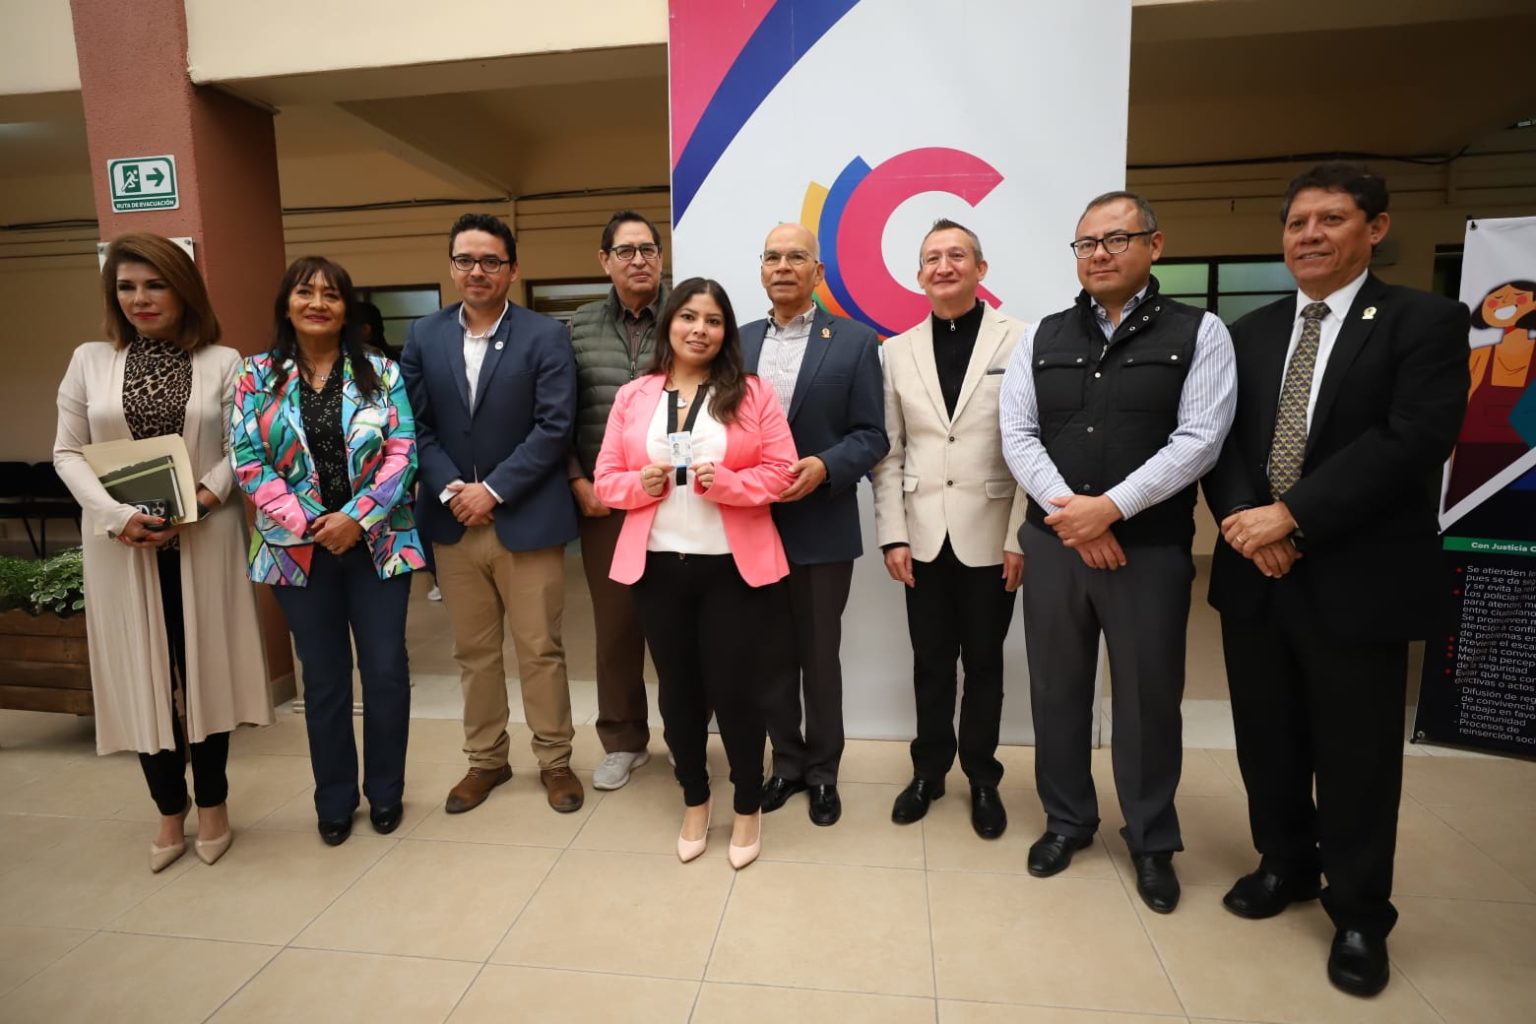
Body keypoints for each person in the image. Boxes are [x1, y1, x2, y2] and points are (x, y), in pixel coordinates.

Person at [1203, 162, 1470, 997]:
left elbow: (1412, 440)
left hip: (1359, 575)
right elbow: (1220, 442)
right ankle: (1284, 863)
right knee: (1268, 737)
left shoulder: (1424, 321)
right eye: (1297, 223)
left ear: (1375, 228)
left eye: (1331, 219)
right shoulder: (1248, 332)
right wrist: (1248, 522)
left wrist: (1293, 516)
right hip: (1256, 574)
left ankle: (1358, 912)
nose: (1310, 236)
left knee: (1357, 755)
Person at [999, 191, 1236, 913]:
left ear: (1153, 245)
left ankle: (1152, 839)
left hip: (1150, 551)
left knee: (1147, 698)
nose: (1098, 254)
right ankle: (1067, 820)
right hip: (1056, 547)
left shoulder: (1200, 333)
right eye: (1086, 244)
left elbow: (1200, 439)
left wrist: (1112, 509)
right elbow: (1019, 434)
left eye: (1116, 239)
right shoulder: (1041, 336)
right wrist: (1074, 515)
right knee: (1057, 690)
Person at [54, 232, 272, 872]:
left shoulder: (224, 362)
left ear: (185, 291)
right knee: (143, 677)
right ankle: (168, 809)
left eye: (156, 285)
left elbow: (243, 448)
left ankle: (214, 805)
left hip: (203, 539)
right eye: (126, 287)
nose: (140, 299)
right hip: (123, 546)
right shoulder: (89, 361)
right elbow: (67, 451)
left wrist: (197, 502)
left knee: (207, 672)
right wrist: (118, 516)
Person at [593, 277, 797, 869]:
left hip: (732, 567)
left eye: (712, 320)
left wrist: (728, 484)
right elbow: (606, 479)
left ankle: (748, 804)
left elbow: (782, 471)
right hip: (658, 567)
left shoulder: (753, 393)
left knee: (736, 692)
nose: (699, 330)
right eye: (688, 317)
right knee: (678, 693)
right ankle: (694, 798)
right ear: (670, 324)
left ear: (725, 332)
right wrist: (639, 484)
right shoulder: (635, 396)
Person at [230, 256, 423, 847]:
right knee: (325, 678)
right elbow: (247, 460)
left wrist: (356, 519)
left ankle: (385, 791)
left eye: (331, 294)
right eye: (305, 292)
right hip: (296, 550)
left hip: (379, 544)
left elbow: (403, 452)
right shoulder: (255, 375)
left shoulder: (381, 372)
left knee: (386, 671)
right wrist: (314, 523)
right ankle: (334, 800)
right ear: (286, 304)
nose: (318, 303)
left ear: (347, 309)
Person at [400, 213, 584, 815]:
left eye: (489, 261)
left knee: (539, 649)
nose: (476, 271)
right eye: (465, 260)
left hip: (526, 520)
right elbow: (414, 424)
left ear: (512, 268)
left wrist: (494, 490)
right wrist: (453, 488)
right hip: (454, 522)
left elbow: (554, 426)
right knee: (473, 652)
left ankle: (555, 761)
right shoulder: (424, 335)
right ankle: (486, 760)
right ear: (452, 266)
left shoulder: (545, 335)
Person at [871, 219, 1028, 839]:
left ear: (979, 269)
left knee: (985, 663)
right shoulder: (896, 350)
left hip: (992, 532)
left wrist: (1020, 536)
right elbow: (889, 452)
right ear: (919, 276)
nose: (944, 266)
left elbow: (1030, 446)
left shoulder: (1020, 339)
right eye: (932, 258)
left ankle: (983, 778)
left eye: (956, 255)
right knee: (931, 662)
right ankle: (928, 772)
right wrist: (893, 534)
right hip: (922, 535)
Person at [741, 223, 888, 826]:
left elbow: (872, 434)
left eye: (796, 257)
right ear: (761, 269)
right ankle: (787, 764)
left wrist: (826, 466)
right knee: (768, 655)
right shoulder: (737, 342)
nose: (783, 266)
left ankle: (824, 772)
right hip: (750, 525)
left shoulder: (853, 341)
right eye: (772, 257)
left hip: (822, 522)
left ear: (817, 272)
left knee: (820, 656)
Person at [568, 210, 669, 791]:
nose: (638, 260)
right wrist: (577, 480)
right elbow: (559, 411)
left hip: (677, 502)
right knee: (616, 629)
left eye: (648, 249)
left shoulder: (685, 314)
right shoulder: (579, 326)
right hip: (604, 504)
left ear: (661, 257)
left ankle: (686, 735)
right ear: (604, 260)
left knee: (681, 626)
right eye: (625, 251)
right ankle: (624, 740)